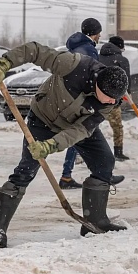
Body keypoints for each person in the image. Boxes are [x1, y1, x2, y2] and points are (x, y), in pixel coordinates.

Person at [0, 41, 129, 248]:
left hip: (76, 124)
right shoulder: (74, 65)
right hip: (43, 119)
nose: (110, 103)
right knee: (26, 169)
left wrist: (52, 145)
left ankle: (94, 221)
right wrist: (5, 63)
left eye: (114, 100)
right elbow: (36, 50)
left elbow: (79, 131)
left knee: (104, 161)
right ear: (99, 84)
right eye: (108, 98)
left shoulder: (110, 102)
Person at [58, 18, 103, 189]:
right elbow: (91, 76)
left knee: (80, 135)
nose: (100, 36)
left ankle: (68, 175)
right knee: (82, 134)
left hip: (69, 97)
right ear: (94, 33)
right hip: (81, 99)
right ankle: (100, 174)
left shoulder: (75, 47)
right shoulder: (88, 50)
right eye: (99, 32)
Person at [99, 35, 131, 161]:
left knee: (90, 127)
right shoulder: (122, 60)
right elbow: (126, 79)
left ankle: (83, 152)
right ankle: (118, 152)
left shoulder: (97, 56)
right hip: (113, 100)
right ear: (120, 47)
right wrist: (128, 92)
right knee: (117, 127)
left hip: (96, 99)